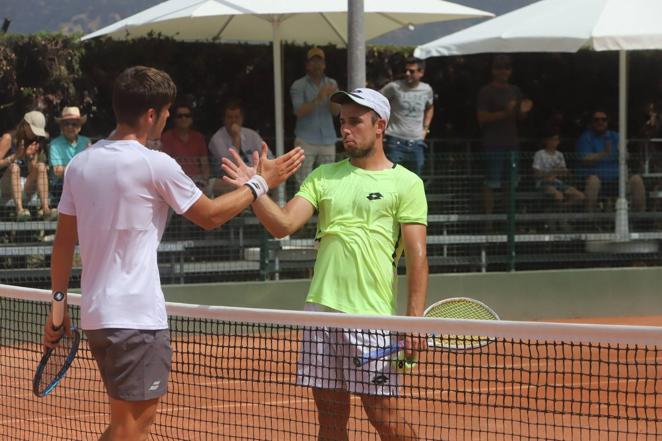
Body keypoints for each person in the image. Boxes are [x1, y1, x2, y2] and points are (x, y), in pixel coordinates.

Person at [41, 66, 304, 441]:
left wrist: (57, 313)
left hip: (98, 319)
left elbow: (63, 243)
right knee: (133, 428)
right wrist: (261, 182)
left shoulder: (81, 164)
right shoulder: (156, 164)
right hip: (136, 322)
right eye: (167, 112)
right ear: (152, 114)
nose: (167, 118)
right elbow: (210, 216)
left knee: (124, 426)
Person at [222, 88, 428, 441]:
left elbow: (417, 256)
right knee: (330, 420)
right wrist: (256, 187)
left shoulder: (406, 183)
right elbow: (283, 224)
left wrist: (413, 320)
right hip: (319, 313)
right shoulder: (324, 176)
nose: (345, 129)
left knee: (384, 417)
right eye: (342, 122)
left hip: (371, 316)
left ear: (380, 125)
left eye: (355, 122)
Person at [476, 55, 533, 216]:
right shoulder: (486, 91)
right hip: (493, 143)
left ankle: (509, 221)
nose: (503, 71)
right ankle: (489, 220)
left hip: (512, 143)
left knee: (511, 183)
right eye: (499, 67)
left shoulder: (515, 90)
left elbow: (520, 117)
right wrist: (506, 112)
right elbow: (482, 118)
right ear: (493, 70)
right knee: (491, 182)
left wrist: (523, 110)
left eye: (507, 67)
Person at [576, 109, 646, 213]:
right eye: (597, 120)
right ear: (592, 122)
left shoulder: (615, 136)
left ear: (607, 122)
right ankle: (589, 220)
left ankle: (639, 221)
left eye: (603, 119)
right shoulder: (586, 137)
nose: (600, 122)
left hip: (617, 180)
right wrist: (604, 153)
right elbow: (585, 159)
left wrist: (623, 153)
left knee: (637, 180)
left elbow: (626, 156)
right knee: (593, 181)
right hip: (597, 180)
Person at [290, 47, 340, 185]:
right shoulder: (298, 85)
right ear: (307, 65)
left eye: (320, 61)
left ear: (324, 65)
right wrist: (319, 97)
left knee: (327, 182)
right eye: (313, 61)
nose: (317, 65)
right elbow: (298, 111)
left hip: (328, 140)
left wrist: (331, 97)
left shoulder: (332, 84)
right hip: (305, 141)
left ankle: (323, 207)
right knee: (303, 183)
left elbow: (336, 112)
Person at [380, 56, 434, 176]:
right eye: (406, 70)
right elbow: (376, 102)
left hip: (417, 142)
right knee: (392, 179)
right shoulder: (394, 87)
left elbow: (430, 107)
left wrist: (425, 129)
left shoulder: (427, 89)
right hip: (395, 140)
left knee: (415, 181)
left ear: (421, 73)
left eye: (412, 71)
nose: (407, 73)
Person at [0, 111, 57, 221]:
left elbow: (32, 171)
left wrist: (30, 157)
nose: (35, 134)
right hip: (5, 184)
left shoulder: (35, 142)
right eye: (33, 130)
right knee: (14, 168)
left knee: (41, 166)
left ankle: (46, 210)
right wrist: (14, 157)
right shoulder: (8, 138)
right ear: (25, 125)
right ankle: (20, 210)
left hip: (25, 185)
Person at [208, 100, 272, 195]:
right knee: (237, 186)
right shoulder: (217, 139)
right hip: (227, 179)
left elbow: (269, 157)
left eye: (236, 117)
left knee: (274, 180)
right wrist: (236, 138)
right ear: (224, 119)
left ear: (242, 119)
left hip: (254, 175)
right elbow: (231, 167)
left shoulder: (252, 135)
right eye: (230, 117)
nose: (233, 120)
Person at [532, 126, 585, 211]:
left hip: (558, 182)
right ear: (546, 140)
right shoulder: (539, 154)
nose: (554, 142)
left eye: (556, 140)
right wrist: (551, 172)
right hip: (543, 183)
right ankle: (558, 216)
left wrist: (562, 172)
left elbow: (564, 172)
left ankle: (561, 209)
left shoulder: (560, 155)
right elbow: (536, 173)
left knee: (580, 196)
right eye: (552, 139)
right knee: (558, 196)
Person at [161, 102, 210, 190]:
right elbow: (165, 167)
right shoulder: (166, 138)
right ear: (174, 119)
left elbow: (204, 164)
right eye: (180, 116)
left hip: (198, 182)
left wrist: (205, 181)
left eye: (187, 115)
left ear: (192, 119)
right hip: (176, 182)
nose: (184, 118)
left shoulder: (198, 137)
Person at [49, 106, 91, 201]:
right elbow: (57, 171)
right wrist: (79, 169)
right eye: (66, 124)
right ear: (61, 127)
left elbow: (90, 167)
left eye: (74, 124)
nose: (70, 127)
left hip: (82, 183)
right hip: (60, 186)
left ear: (79, 127)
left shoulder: (86, 142)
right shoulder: (55, 144)